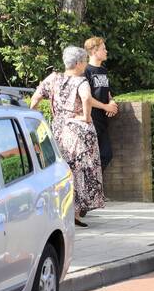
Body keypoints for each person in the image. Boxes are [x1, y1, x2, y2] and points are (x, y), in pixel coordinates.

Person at [31, 46, 105, 227]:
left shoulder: (53, 78)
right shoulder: (81, 81)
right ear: (79, 63)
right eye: (85, 61)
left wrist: (33, 116)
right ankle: (74, 212)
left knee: (60, 169)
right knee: (79, 170)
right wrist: (86, 117)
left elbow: (36, 96)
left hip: (58, 129)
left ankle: (58, 211)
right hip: (78, 131)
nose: (86, 65)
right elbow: (86, 98)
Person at [84, 37, 120, 170]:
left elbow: (106, 91)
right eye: (103, 48)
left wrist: (111, 101)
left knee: (106, 155)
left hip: (103, 121)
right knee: (92, 158)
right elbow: (86, 98)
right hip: (91, 120)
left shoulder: (103, 71)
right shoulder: (86, 71)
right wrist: (105, 106)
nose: (106, 51)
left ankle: (95, 185)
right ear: (94, 51)